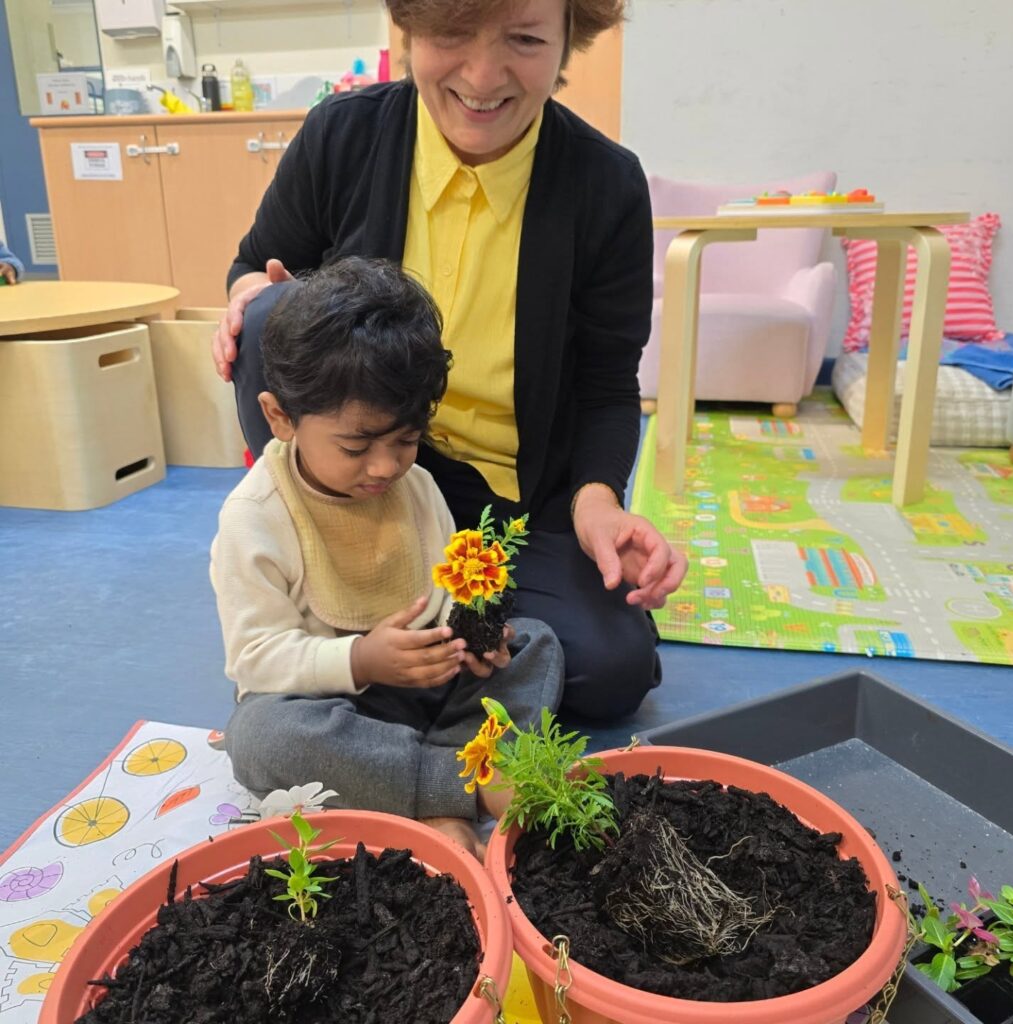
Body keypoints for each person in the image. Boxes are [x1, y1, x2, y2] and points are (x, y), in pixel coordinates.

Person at [212, 0, 687, 722]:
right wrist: (246, 296)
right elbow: (256, 262)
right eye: (452, 34)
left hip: (511, 498)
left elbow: (606, 385)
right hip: (359, 481)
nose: (482, 75)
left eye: (524, 40)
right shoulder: (344, 135)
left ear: (567, 42)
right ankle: (320, 576)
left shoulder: (605, 185)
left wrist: (597, 501)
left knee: (609, 670)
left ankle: (359, 652)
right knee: (272, 313)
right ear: (409, 30)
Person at [211, 257, 563, 858]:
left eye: (405, 441)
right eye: (356, 445)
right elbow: (257, 661)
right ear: (280, 416)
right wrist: (362, 659)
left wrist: (471, 637)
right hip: (330, 706)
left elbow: (446, 585)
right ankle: (456, 788)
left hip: (425, 683)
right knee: (260, 738)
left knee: (535, 643)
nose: (385, 466)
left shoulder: (417, 487)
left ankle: (424, 790)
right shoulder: (256, 517)